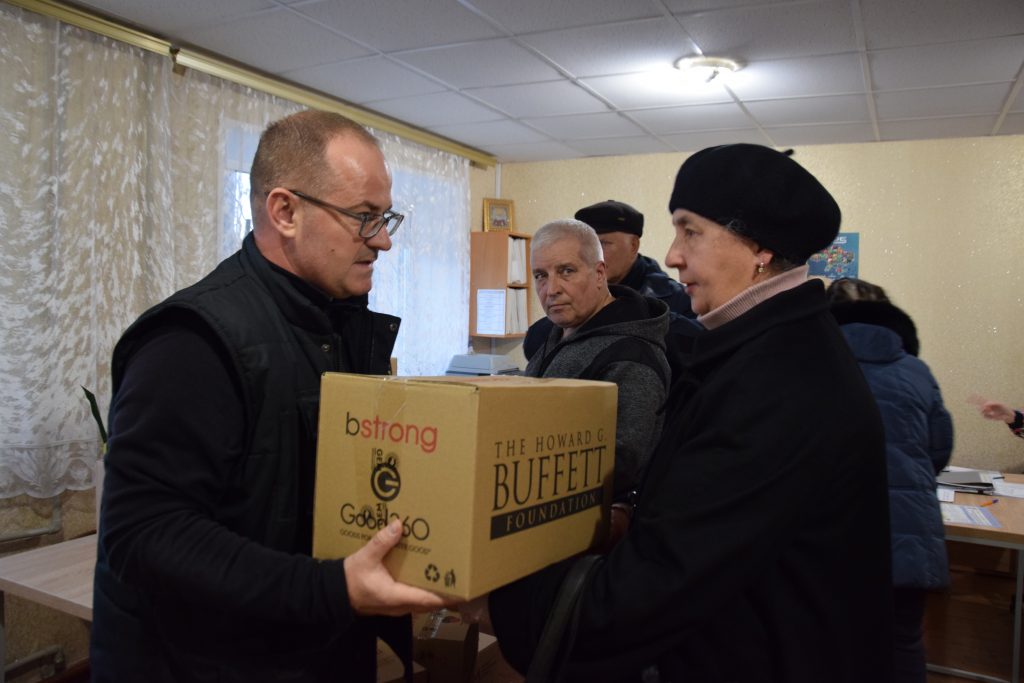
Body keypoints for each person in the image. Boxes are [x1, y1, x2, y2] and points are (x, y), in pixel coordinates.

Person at [476, 144, 894, 682]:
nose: (672, 256)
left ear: (760, 246)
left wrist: (497, 602)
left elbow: (667, 576)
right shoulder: (767, 351)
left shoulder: (779, 383)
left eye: (690, 231)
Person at [91, 110, 448, 682]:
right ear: (285, 212)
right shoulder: (192, 341)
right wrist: (330, 589)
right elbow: (144, 534)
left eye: (385, 218)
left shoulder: (338, 326)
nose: (382, 240)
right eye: (363, 217)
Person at [828, 276, 953, 682]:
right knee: (903, 643)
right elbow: (938, 449)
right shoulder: (917, 371)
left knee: (831, 643)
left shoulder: (813, 365)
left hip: (836, 533)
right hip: (911, 535)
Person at [526, 218, 671, 529]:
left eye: (567, 271)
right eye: (540, 276)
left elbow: (622, 464)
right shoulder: (555, 334)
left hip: (586, 526)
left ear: (599, 274)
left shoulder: (632, 354)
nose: (551, 290)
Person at [523, 199, 696, 360]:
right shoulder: (544, 333)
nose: (593, 254)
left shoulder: (677, 300)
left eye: (601, 244)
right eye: (588, 246)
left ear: (633, 245)